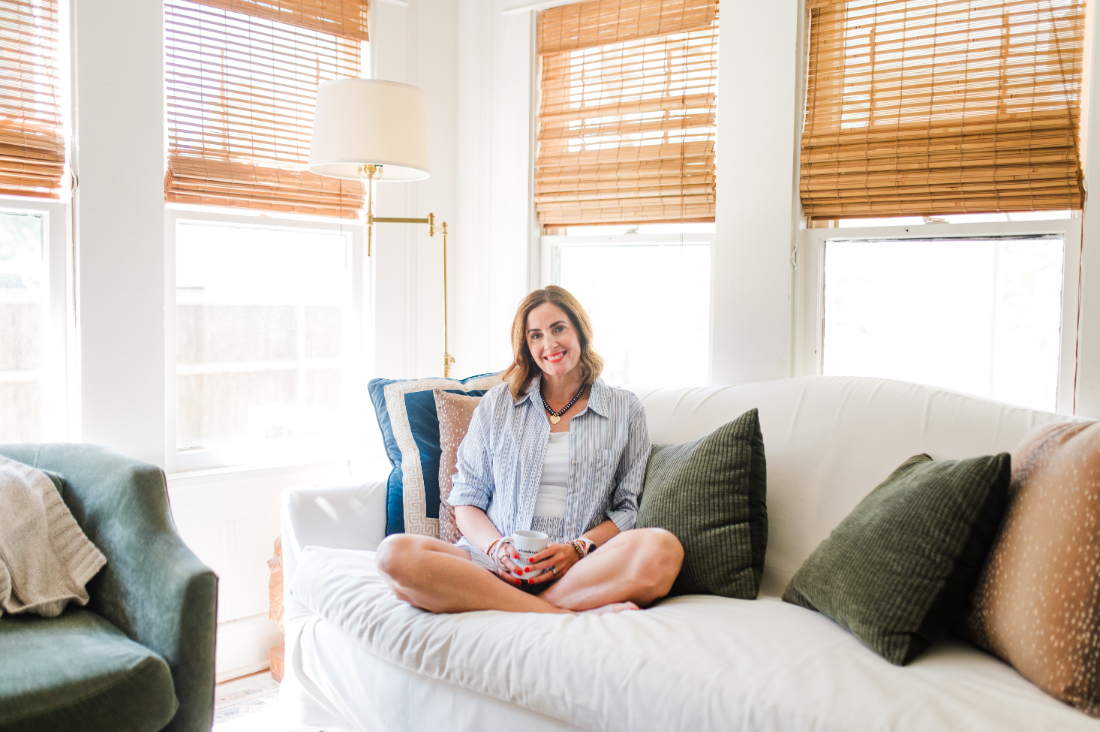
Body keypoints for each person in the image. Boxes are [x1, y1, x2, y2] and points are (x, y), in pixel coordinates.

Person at [375, 286, 684, 614]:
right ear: (526, 345)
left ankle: (522, 605)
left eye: (559, 328)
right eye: (535, 335)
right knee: (393, 555)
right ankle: (556, 613)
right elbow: (466, 499)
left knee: (663, 549)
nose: (549, 344)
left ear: (580, 331)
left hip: (579, 570)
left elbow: (626, 510)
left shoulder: (625, 410)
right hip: (493, 566)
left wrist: (576, 550)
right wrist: (496, 549)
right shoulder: (497, 405)